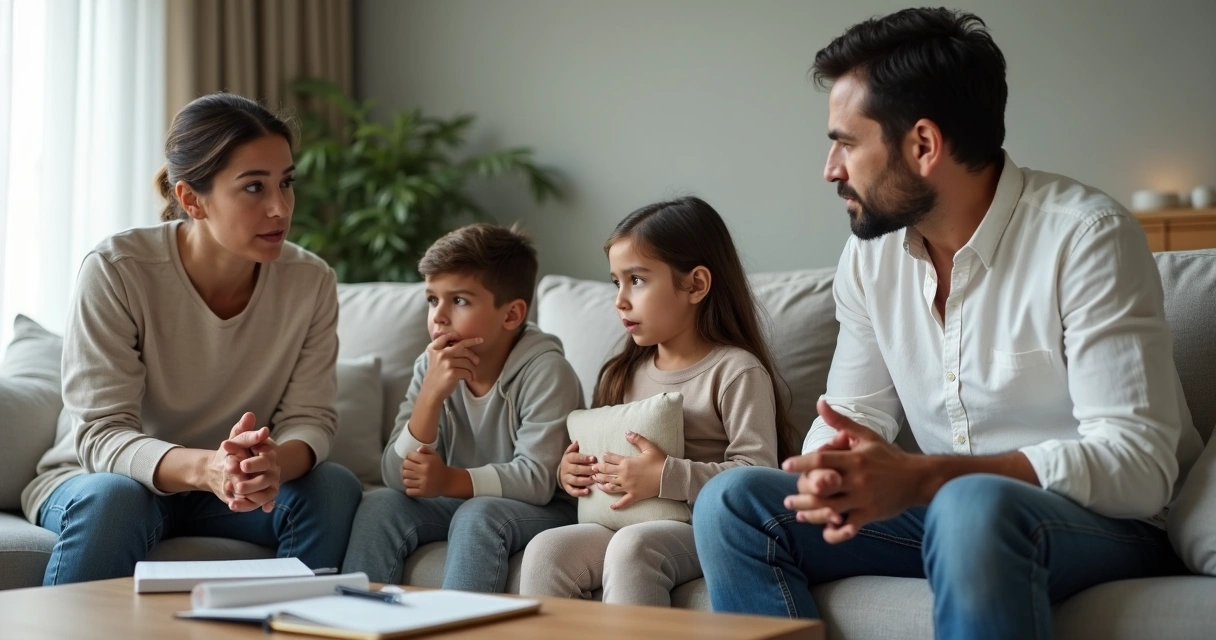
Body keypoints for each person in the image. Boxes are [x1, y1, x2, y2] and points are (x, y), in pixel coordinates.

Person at [693, 8, 1203, 639]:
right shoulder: (871, 256)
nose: (830, 168)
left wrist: (930, 477)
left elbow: (1140, 469)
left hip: (1106, 526)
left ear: (924, 145)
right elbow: (850, 416)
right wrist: (831, 471)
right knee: (733, 503)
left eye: (847, 143)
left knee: (969, 503)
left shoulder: (1086, 237)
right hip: (948, 513)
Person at [23, 93, 363, 585]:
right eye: (254, 188)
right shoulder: (119, 269)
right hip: (102, 478)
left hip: (230, 490)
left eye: (286, 183)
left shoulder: (311, 281)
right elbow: (100, 433)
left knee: (331, 486)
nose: (280, 208)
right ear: (191, 199)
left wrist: (271, 465)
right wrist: (207, 468)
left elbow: (310, 418)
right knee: (116, 500)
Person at [519, 197, 792, 606]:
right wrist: (571, 473)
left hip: (701, 526)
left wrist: (666, 476)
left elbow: (756, 476)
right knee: (547, 551)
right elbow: (601, 457)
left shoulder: (736, 371)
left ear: (696, 284)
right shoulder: (621, 373)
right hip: (621, 520)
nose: (620, 300)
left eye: (637, 280)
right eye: (616, 282)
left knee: (634, 547)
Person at [342, 223, 582, 592]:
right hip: (458, 499)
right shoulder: (431, 366)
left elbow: (537, 479)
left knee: (479, 514)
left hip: (544, 509)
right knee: (380, 505)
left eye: (459, 300)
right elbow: (395, 476)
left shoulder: (547, 372)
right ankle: (352, 623)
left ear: (512, 315)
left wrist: (449, 480)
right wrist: (430, 398)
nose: (438, 315)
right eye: (432, 299)